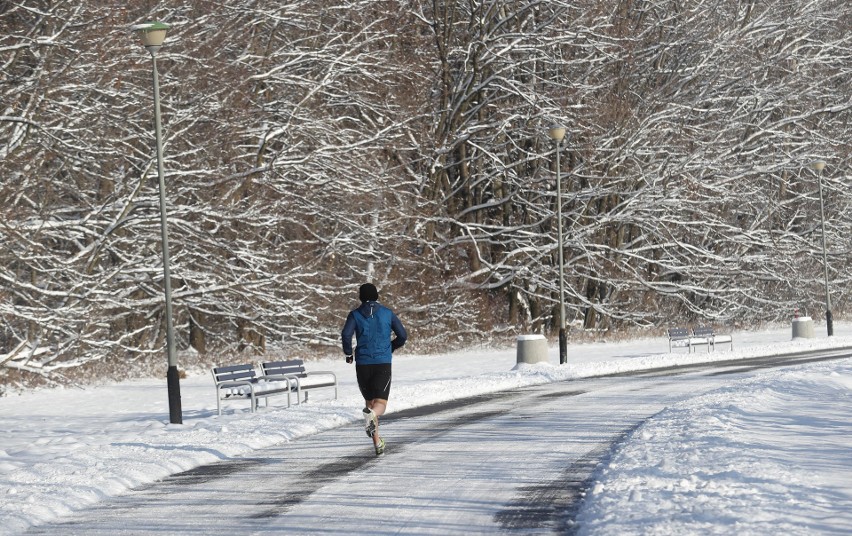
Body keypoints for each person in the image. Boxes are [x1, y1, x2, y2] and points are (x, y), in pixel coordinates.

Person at [341, 283, 407, 456]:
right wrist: (391, 347)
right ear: (376, 296)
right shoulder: (387, 313)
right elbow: (403, 335)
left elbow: (346, 335)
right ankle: (373, 418)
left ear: (360, 297)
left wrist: (349, 353)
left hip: (362, 364)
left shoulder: (354, 315)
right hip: (382, 362)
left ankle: (378, 443)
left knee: (369, 403)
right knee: (379, 404)